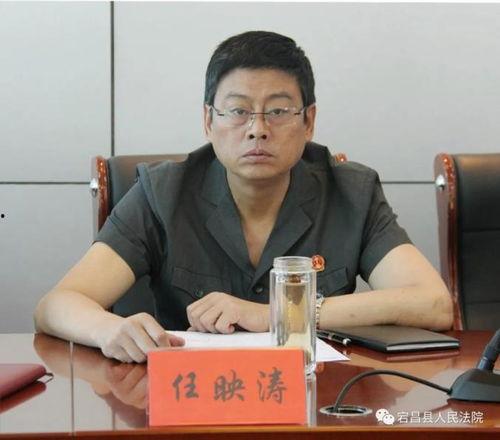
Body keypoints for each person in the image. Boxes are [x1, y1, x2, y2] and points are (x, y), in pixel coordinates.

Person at [34, 31, 453, 363]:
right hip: (189, 406)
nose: (257, 129)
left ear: (309, 121)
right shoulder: (162, 194)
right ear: (208, 121)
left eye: (278, 111)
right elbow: (56, 305)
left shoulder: (351, 193)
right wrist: (109, 329)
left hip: (313, 403)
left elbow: (432, 303)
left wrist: (277, 313)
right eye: (238, 111)